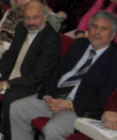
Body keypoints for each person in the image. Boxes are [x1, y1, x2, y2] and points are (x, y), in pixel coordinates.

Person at [10, 11, 117, 140]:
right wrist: (48, 95)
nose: (97, 32)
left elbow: (104, 97)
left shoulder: (114, 59)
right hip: (54, 97)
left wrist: (69, 105)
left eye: (103, 29)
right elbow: (56, 72)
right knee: (16, 108)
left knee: (52, 129)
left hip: (78, 107)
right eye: (94, 26)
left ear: (112, 35)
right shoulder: (79, 44)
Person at [0, 1, 61, 138]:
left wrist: (4, 84)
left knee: (11, 97)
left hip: (31, 83)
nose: (31, 22)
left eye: (35, 17)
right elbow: (10, 56)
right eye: (27, 18)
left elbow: (37, 76)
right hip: (12, 72)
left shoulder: (51, 40)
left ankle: (4, 136)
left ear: (45, 17)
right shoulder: (21, 28)